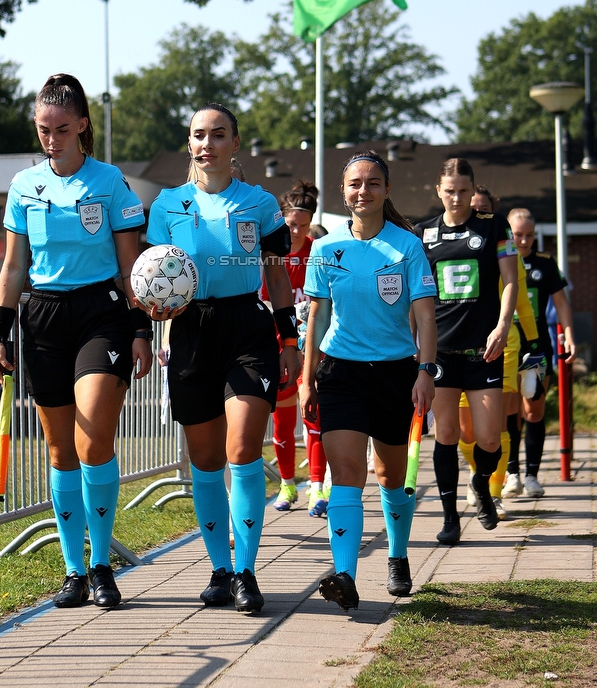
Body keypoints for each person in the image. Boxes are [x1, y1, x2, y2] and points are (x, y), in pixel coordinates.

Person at [0, 74, 153, 609]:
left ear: (83, 126)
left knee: (92, 440)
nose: (51, 139)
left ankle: (104, 566)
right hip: (42, 319)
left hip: (100, 315)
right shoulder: (23, 185)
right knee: (60, 451)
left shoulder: (111, 184)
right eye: (42, 130)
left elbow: (130, 266)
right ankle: (73, 571)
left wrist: (139, 328)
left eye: (61, 129)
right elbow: (15, 267)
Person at [145, 103, 301, 613]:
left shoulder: (260, 204)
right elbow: (152, 276)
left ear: (236, 144)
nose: (207, 143)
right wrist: (153, 314)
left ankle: (248, 572)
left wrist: (290, 341)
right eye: (198, 135)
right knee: (207, 461)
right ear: (189, 145)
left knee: (242, 450)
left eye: (218, 135)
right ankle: (219, 570)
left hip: (247, 332)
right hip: (190, 333)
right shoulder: (168, 205)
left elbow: (277, 278)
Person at [301, 150, 437, 609]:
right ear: (343, 191)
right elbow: (317, 318)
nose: (363, 191)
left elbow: (425, 315)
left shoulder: (407, 246)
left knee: (391, 476)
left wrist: (424, 370)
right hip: (340, 372)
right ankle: (345, 575)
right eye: (355, 183)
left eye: (373, 183)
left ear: (387, 189)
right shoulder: (326, 248)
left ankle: (397, 555)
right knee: (347, 475)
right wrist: (307, 379)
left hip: (397, 373)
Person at [415, 158, 518, 545]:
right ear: (438, 191)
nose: (456, 198)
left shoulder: (494, 226)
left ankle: (480, 480)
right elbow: (414, 295)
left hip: (483, 348)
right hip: (440, 350)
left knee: (490, 437)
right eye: (449, 190)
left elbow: (510, 281)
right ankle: (449, 517)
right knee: (447, 433)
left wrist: (503, 325)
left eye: (463, 190)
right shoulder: (422, 232)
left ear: (473, 190)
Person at [457, 186, 538, 521]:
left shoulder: (506, 249)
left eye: (483, 209)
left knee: (497, 425)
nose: (475, 213)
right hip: (457, 344)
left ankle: (493, 490)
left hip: (501, 344)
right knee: (466, 433)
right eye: (471, 207)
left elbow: (520, 299)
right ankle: (479, 477)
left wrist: (533, 345)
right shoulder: (445, 243)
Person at [260, 180, 328, 517]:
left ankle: (318, 487)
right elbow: (264, 299)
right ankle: (287, 484)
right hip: (280, 348)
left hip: (314, 348)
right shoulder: (271, 255)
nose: (297, 230)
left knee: (314, 420)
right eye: (291, 224)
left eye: (303, 224)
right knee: (283, 423)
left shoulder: (319, 251)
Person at [505, 207, 576, 498]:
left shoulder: (545, 264)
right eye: (518, 234)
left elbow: (561, 303)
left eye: (529, 235)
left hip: (537, 350)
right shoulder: (498, 261)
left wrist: (569, 333)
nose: (523, 240)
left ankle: (532, 475)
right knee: (509, 412)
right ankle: (511, 474)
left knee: (534, 411)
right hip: (506, 346)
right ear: (509, 234)